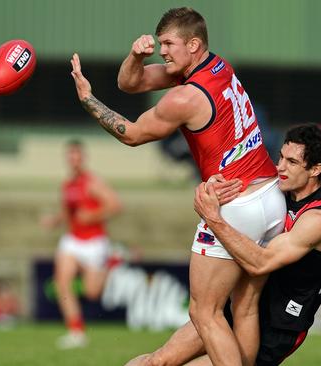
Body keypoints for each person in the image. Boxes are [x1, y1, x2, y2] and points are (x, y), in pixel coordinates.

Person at [70, 7, 285, 365]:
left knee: (205, 313)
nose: (163, 51)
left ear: (194, 44)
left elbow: (134, 134)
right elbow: (130, 83)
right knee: (243, 307)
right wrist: (135, 57)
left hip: (234, 206)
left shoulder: (184, 97)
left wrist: (87, 100)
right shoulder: (218, 66)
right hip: (269, 196)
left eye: (169, 44)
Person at [125, 124, 321, 366]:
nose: (280, 167)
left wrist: (213, 218)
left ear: (315, 169)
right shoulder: (278, 190)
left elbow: (261, 263)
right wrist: (212, 184)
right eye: (280, 157)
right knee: (158, 362)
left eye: (292, 162)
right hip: (236, 309)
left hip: (276, 326)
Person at [40, 139, 123, 349]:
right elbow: (69, 212)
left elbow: (115, 205)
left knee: (92, 292)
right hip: (73, 240)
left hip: (94, 241)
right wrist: (55, 220)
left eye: (77, 156)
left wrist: (93, 215)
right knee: (62, 282)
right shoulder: (67, 185)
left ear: (82, 158)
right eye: (70, 156)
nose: (73, 160)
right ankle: (76, 332)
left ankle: (113, 261)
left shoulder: (92, 182)